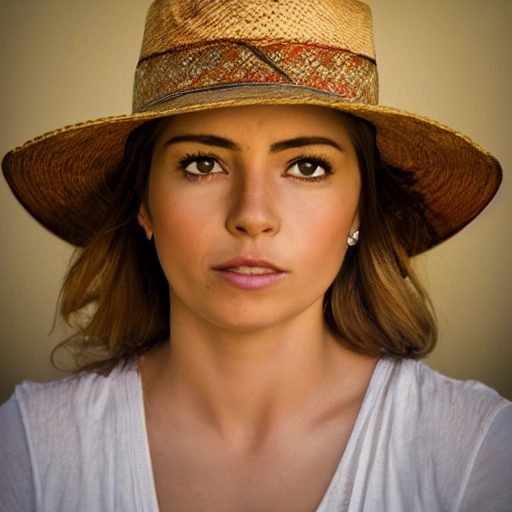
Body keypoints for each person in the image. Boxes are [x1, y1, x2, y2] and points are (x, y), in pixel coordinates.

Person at [0, 0, 510, 511]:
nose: (253, 215)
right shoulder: (30, 449)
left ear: (360, 209)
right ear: (143, 202)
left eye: (307, 167)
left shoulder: (474, 450)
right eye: (202, 163)